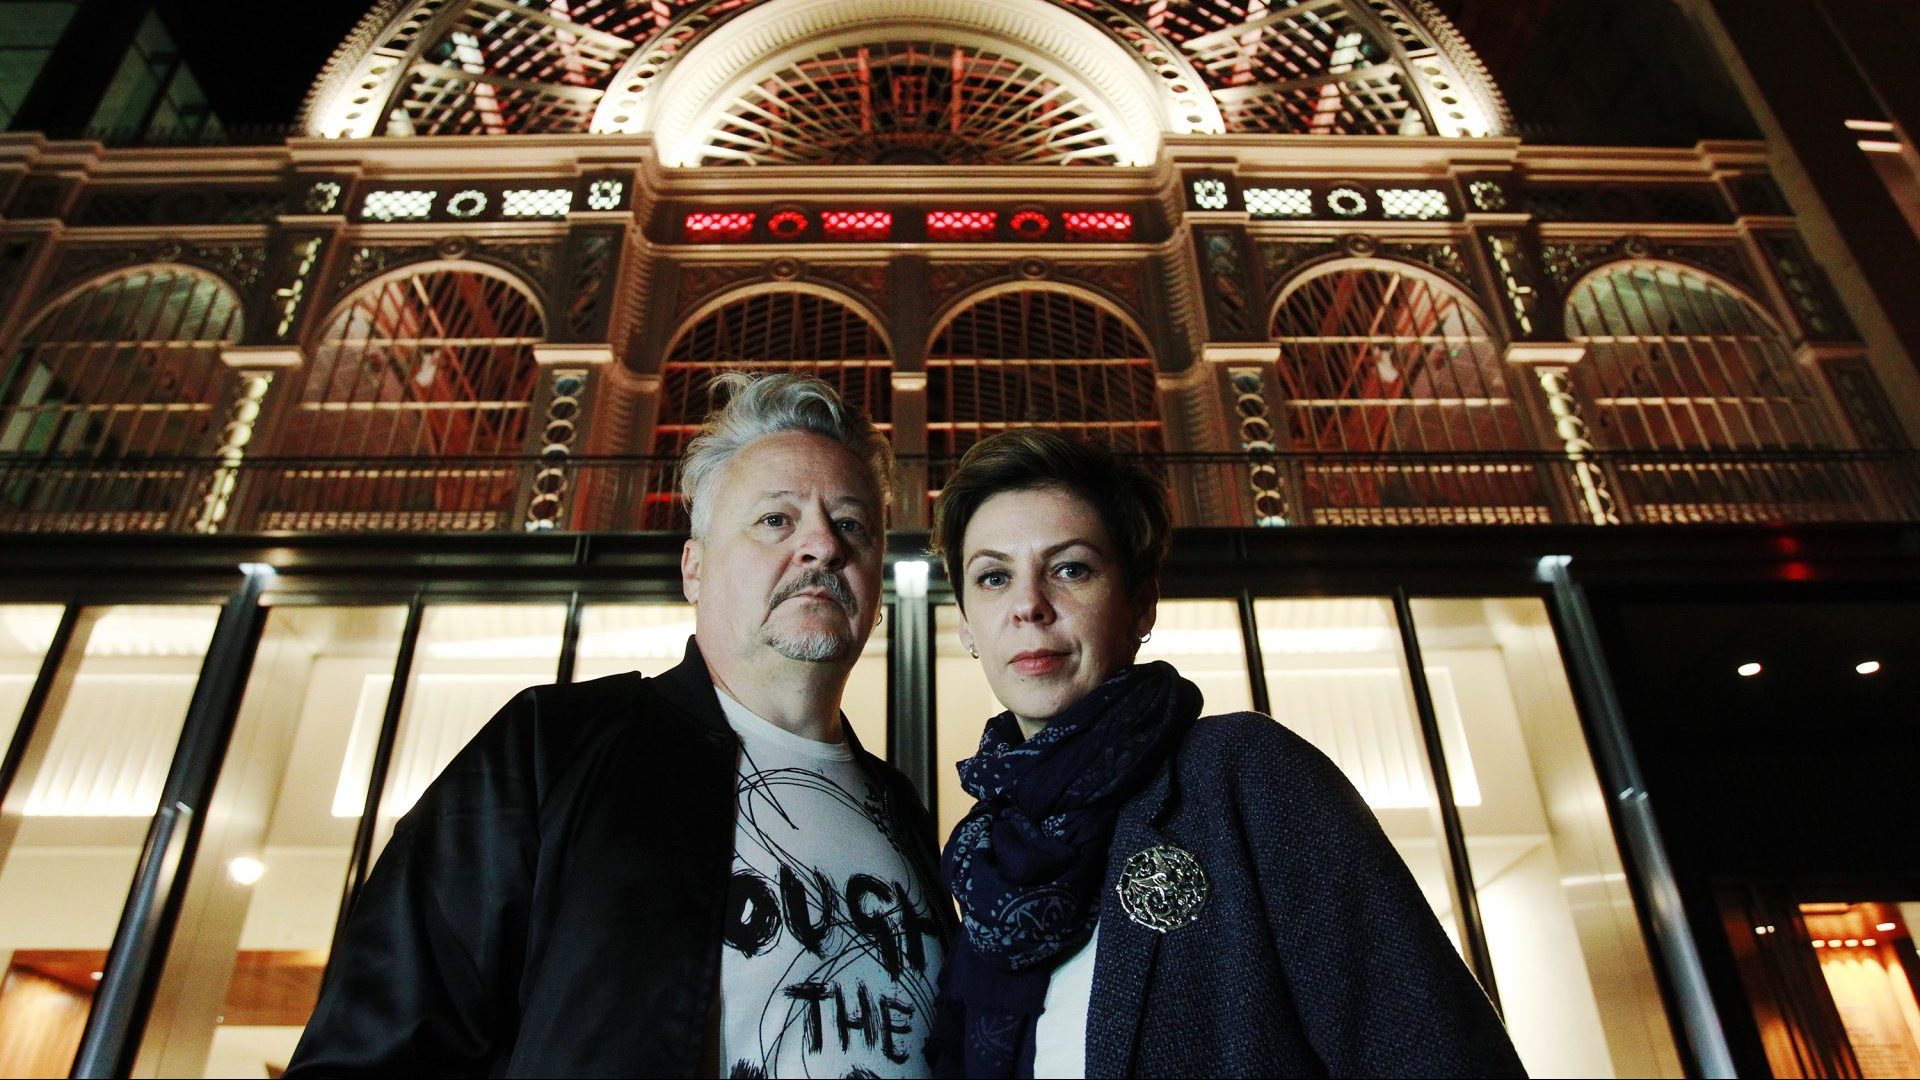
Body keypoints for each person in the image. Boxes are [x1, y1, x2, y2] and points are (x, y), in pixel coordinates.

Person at [287, 373, 953, 1078]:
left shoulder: (899, 807)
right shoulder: (554, 747)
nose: (823, 545)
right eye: (776, 520)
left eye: (851, 523)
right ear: (694, 569)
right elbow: (378, 1047)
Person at [927, 430, 1526, 1079]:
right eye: (993, 577)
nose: (1028, 606)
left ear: (1140, 603)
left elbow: (1436, 1054)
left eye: (1071, 568)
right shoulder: (991, 854)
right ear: (965, 622)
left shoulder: (1241, 775)